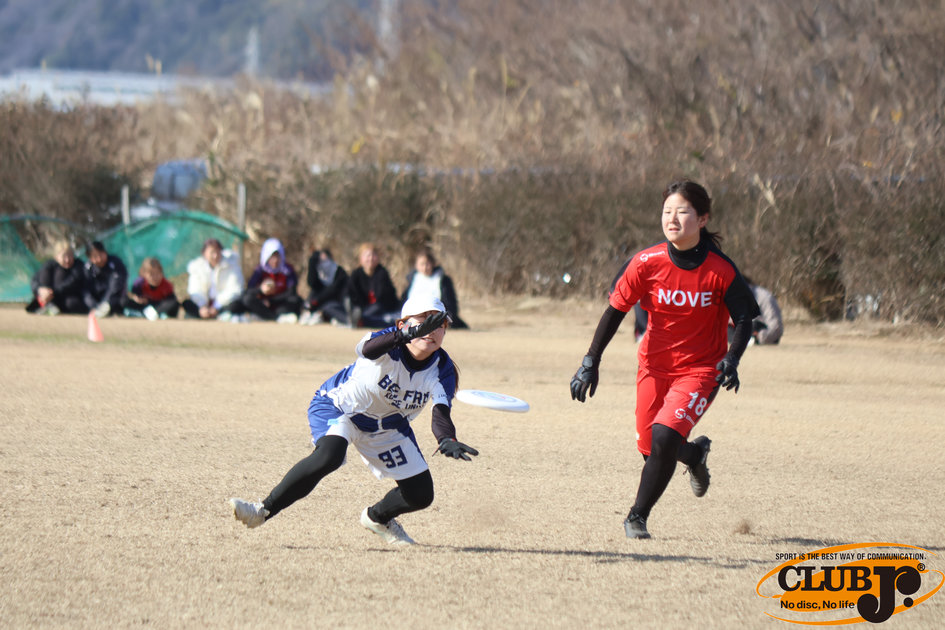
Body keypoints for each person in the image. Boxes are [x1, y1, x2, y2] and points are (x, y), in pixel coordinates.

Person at [570, 180, 760, 539]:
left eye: (682, 211)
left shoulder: (721, 270)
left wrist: (732, 359)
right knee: (652, 450)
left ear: (702, 219)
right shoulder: (646, 262)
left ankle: (636, 518)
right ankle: (694, 455)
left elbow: (745, 320)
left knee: (664, 436)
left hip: (701, 370)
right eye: (667, 211)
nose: (672, 218)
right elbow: (615, 310)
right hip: (653, 368)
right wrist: (589, 362)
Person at [228, 295, 478, 545]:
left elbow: (441, 411)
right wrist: (407, 335)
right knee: (330, 456)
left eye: (439, 324)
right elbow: (366, 350)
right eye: (424, 319)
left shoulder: (442, 369)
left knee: (420, 494)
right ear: (402, 324)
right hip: (340, 408)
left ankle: (377, 518)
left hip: (387, 426)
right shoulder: (389, 341)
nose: (432, 329)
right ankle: (262, 510)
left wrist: (446, 438)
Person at [401, 247, 469, 329]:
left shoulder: (442, 280)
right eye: (422, 264)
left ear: (433, 264)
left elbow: (450, 303)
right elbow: (403, 302)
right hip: (414, 316)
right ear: (417, 266)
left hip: (436, 315)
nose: (425, 268)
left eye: (427, 264)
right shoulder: (412, 280)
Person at [242, 237, 304, 323]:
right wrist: (261, 290)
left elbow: (291, 292)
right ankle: (274, 317)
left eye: (277, 256)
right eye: (272, 257)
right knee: (247, 299)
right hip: (263, 304)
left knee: (296, 300)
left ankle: (269, 316)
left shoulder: (287, 270)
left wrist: (271, 301)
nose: (275, 260)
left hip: (279, 303)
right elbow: (249, 290)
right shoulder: (259, 270)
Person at [182, 238, 246, 320]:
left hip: (223, 304)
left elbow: (235, 289)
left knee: (238, 304)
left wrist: (217, 306)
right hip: (204, 305)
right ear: (204, 253)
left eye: (218, 252)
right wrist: (202, 306)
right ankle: (202, 314)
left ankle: (219, 314)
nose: (215, 256)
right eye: (212, 252)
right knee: (187, 303)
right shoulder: (196, 267)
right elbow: (195, 290)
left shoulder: (232, 265)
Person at [345, 242, 401, 328]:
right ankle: (356, 319)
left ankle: (359, 319)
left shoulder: (382, 273)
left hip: (382, 307)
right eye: (367, 256)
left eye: (373, 255)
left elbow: (382, 296)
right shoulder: (356, 274)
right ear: (361, 258)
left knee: (376, 309)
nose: (371, 259)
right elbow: (351, 293)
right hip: (363, 308)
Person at [25, 243, 87, 315]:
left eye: (70, 255)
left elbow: (71, 283)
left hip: (68, 296)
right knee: (45, 273)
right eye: (64, 256)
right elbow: (34, 280)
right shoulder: (49, 264)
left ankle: (49, 303)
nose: (67, 260)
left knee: (72, 303)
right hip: (50, 296)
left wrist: (51, 292)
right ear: (56, 257)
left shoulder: (78, 265)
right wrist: (40, 290)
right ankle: (46, 303)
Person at [300, 248, 348, 325]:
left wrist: (317, 301)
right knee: (309, 300)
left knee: (329, 307)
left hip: (335, 302)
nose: (322, 263)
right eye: (320, 261)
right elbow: (312, 283)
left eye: (324, 260)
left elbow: (332, 290)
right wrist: (312, 263)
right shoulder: (319, 273)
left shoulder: (339, 272)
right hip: (320, 302)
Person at [83, 241, 128, 318]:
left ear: (105, 252)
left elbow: (115, 287)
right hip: (97, 303)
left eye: (100, 254)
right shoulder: (88, 269)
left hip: (113, 300)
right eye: (95, 256)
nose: (99, 259)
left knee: (123, 301)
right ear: (90, 258)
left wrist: (105, 303)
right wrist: (93, 305)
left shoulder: (115, 263)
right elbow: (86, 290)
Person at [745, 278, 783, 345]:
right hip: (741, 337)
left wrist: (759, 337)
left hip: (761, 334)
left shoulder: (764, 297)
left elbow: (776, 328)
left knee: (753, 325)